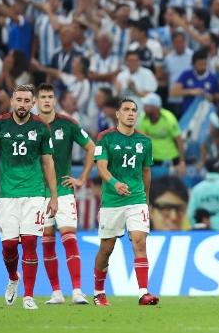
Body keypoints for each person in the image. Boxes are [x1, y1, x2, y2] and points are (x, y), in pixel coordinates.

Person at [0, 84, 58, 310]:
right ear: (12, 101)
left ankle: (29, 296)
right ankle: (14, 276)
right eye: (19, 100)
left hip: (34, 194)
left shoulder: (41, 126)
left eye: (27, 101)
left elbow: (48, 162)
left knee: (31, 243)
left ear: (32, 103)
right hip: (7, 195)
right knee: (9, 246)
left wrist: (53, 196)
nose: (22, 105)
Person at [92, 98, 158, 306]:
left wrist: (146, 200)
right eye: (126, 110)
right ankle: (98, 292)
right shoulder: (104, 138)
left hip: (136, 199)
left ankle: (143, 293)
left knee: (140, 241)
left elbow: (146, 172)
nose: (131, 113)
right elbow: (101, 167)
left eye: (134, 110)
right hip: (112, 201)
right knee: (106, 248)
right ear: (118, 114)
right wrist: (115, 183)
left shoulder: (145, 142)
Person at [35, 83, 95, 305]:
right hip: (39, 194)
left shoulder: (68, 124)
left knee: (69, 239)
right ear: (36, 101)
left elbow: (92, 147)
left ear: (55, 100)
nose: (47, 100)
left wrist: (82, 178)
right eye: (43, 97)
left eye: (50, 96)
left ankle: (78, 290)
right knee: (47, 242)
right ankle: (56, 292)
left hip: (63, 192)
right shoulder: (29, 126)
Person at [137, 92, 186, 175]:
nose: (144, 108)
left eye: (146, 106)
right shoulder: (143, 118)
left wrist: (182, 162)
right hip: (152, 159)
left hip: (170, 158)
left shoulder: (169, 119)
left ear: (155, 107)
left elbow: (179, 141)